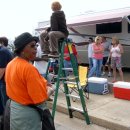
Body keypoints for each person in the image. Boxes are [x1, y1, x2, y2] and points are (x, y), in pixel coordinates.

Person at [5, 32, 55, 130]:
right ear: (22, 50)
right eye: (32, 46)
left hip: (14, 109)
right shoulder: (28, 68)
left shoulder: (11, 63)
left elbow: (20, 85)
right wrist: (50, 89)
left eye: (36, 45)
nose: (36, 48)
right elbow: (39, 100)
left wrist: (42, 83)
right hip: (27, 115)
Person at [0, 37, 13, 116]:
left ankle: (6, 122)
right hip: (5, 81)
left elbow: (2, 69)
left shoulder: (2, 51)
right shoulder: (4, 50)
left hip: (4, 81)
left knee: (5, 104)